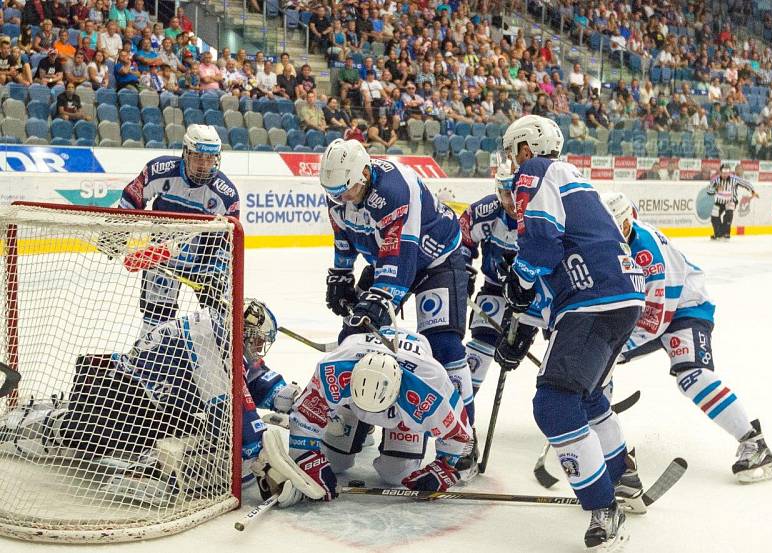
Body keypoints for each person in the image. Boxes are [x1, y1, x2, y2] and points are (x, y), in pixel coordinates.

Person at [497, 115, 644, 551]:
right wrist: (524, 317)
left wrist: (519, 281)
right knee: (589, 397)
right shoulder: (570, 175)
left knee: (555, 405)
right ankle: (623, 478)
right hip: (622, 294)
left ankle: (604, 506)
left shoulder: (535, 172)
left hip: (592, 298)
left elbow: (541, 247)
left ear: (526, 147)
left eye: (513, 151)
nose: (512, 162)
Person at [0, 299, 300, 504]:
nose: (259, 350)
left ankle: (52, 415)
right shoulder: (209, 338)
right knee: (73, 433)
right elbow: (230, 407)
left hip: (132, 397)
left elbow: (254, 379)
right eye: (257, 341)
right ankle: (11, 429)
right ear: (244, 332)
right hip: (111, 399)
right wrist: (261, 457)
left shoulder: (220, 330)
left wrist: (294, 400)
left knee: (191, 432)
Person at [318, 139, 477, 470]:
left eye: (346, 190)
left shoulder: (394, 188)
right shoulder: (342, 190)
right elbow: (344, 235)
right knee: (354, 339)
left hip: (435, 262)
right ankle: (357, 421)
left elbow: (400, 257)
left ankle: (463, 438)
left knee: (444, 346)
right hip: (386, 261)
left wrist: (377, 297)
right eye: (335, 193)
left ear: (364, 172)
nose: (341, 198)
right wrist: (341, 273)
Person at [601, 192, 772, 486]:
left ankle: (753, 442)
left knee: (691, 375)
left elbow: (656, 323)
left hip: (685, 308)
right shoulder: (608, 240)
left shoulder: (647, 254)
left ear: (628, 222)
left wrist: (616, 349)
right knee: (599, 356)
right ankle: (599, 425)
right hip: (649, 309)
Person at [251, 329, 473, 507]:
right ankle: (361, 428)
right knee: (335, 463)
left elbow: (459, 433)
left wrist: (444, 467)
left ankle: (364, 428)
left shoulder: (428, 388)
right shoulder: (334, 370)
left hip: (402, 415)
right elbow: (306, 416)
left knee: (396, 475)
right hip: (352, 405)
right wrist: (308, 459)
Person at [113, 125, 239, 337]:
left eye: (210, 159)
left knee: (220, 321)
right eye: (199, 157)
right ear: (185, 153)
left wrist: (215, 274)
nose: (205, 165)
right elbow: (133, 197)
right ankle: (151, 363)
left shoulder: (226, 194)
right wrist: (117, 231)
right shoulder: (159, 171)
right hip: (162, 257)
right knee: (155, 321)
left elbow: (227, 243)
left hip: (203, 262)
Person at [458, 158, 546, 397]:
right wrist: (461, 274)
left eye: (514, 193)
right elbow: (461, 241)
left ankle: (580, 392)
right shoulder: (484, 211)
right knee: (480, 346)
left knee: (565, 344)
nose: (511, 202)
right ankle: (462, 410)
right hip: (495, 288)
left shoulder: (542, 214)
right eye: (505, 194)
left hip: (541, 295)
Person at [706, 164, 758, 240]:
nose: (725, 175)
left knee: (729, 214)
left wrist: (753, 191)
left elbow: (746, 183)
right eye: (723, 173)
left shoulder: (734, 179)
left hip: (731, 200)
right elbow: (708, 190)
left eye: (727, 173)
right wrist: (716, 189)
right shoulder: (715, 180)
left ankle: (726, 233)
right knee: (714, 216)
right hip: (719, 201)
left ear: (729, 172)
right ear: (720, 172)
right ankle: (718, 234)